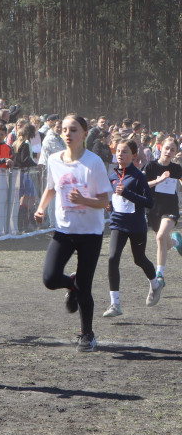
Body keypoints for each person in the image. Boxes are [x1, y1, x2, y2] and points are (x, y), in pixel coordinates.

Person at [34, 114, 113, 352]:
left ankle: (87, 334)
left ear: (85, 134)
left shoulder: (94, 162)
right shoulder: (55, 160)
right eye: (65, 130)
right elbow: (51, 188)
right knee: (49, 278)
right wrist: (40, 208)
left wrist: (83, 199)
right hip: (64, 230)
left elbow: (104, 202)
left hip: (90, 232)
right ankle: (72, 284)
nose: (68, 134)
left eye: (74, 130)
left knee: (85, 288)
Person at [102, 139, 158, 318]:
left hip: (136, 225)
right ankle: (115, 304)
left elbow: (149, 202)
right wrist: (109, 205)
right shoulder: (112, 175)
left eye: (124, 151)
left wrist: (127, 193)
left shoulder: (138, 176)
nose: (120, 154)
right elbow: (113, 198)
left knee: (139, 259)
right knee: (112, 259)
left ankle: (156, 284)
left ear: (134, 155)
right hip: (118, 222)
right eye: (118, 151)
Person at [143, 136, 181, 296]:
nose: (169, 152)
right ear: (160, 148)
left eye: (172, 150)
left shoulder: (177, 168)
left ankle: (160, 275)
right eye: (167, 148)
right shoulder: (151, 166)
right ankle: (176, 242)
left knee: (159, 238)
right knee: (165, 243)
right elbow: (142, 185)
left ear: (175, 152)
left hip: (170, 208)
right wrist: (159, 180)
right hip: (153, 210)